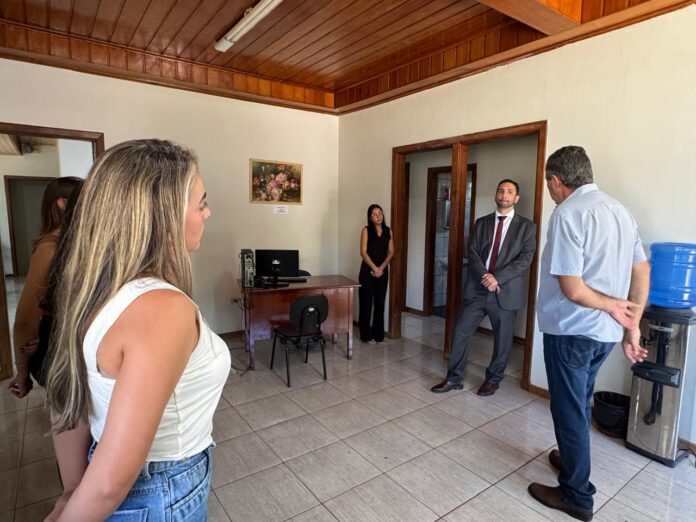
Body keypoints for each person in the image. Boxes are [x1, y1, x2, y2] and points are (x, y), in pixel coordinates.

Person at [45, 139, 229, 520]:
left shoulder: (96, 288)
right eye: (201, 204)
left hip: (132, 479)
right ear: (164, 217)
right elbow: (109, 483)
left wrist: (71, 489)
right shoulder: (163, 310)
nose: (208, 213)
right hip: (162, 490)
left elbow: (69, 398)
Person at [528, 146, 649, 521]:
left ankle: (576, 495)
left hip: (572, 331)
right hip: (604, 336)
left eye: (548, 183)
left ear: (555, 181)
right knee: (579, 402)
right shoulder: (620, 211)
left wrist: (611, 306)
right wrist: (632, 325)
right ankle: (571, 461)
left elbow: (573, 288)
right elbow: (642, 270)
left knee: (568, 409)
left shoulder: (568, 213)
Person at [431, 179, 536, 396]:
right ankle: (454, 378)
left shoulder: (527, 227)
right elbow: (473, 252)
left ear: (516, 198)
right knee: (461, 331)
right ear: (495, 195)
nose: (504, 195)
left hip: (505, 292)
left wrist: (497, 278)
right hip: (477, 289)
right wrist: (485, 276)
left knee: (503, 339)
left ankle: (493, 380)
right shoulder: (481, 223)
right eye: (501, 191)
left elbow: (525, 259)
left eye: (509, 192)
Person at [8, 176, 82, 398]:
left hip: (74, 343)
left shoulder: (78, 242)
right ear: (62, 203)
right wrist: (22, 372)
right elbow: (26, 319)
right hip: (59, 354)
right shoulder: (49, 250)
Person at [358, 204, 394, 344]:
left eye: (380, 213)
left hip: (382, 272)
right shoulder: (366, 230)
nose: (378, 216)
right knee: (366, 303)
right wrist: (374, 268)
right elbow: (363, 252)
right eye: (374, 214)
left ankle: (378, 335)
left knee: (380, 303)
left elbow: (391, 252)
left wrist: (381, 268)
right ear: (370, 218)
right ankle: (365, 335)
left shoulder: (388, 231)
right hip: (367, 272)